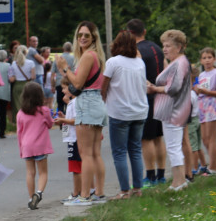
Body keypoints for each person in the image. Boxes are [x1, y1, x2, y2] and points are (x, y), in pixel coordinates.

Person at [58, 21, 108, 205]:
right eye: (80, 35)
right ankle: (99, 194)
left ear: (94, 37)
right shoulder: (98, 57)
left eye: (87, 35)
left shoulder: (88, 56)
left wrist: (65, 68)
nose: (83, 38)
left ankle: (85, 195)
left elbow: (77, 84)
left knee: (86, 153)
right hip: (96, 102)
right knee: (95, 153)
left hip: (87, 102)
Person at [101, 29, 148, 199]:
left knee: (119, 152)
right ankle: (138, 188)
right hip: (140, 111)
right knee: (135, 150)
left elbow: (104, 85)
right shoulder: (139, 63)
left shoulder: (113, 62)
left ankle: (124, 191)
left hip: (120, 112)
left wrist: (104, 100)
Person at [148, 29, 192, 191]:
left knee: (173, 147)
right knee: (174, 146)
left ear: (179, 47)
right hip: (172, 109)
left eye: (168, 46)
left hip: (174, 110)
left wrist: (154, 89)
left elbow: (173, 88)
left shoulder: (180, 63)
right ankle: (179, 180)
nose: (164, 49)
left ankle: (179, 182)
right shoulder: (177, 62)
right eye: (163, 46)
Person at [127, 19, 165, 186]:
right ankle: (161, 174)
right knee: (158, 137)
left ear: (130, 33)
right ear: (145, 31)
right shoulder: (157, 47)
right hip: (161, 95)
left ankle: (150, 175)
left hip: (146, 96)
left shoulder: (136, 50)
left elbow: (136, 75)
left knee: (146, 139)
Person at [16, 81, 60, 209]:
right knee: (43, 173)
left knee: (30, 173)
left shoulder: (20, 113)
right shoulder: (44, 111)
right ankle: (39, 193)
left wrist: (21, 149)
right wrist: (54, 115)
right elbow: (50, 124)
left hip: (26, 146)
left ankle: (31, 198)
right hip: (40, 146)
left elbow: (19, 133)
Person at [194, 47, 216, 172]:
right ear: (201, 61)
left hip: (212, 105)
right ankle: (213, 162)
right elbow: (198, 89)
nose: (207, 61)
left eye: (209, 58)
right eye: (204, 58)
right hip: (202, 106)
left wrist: (207, 92)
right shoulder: (201, 75)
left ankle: (214, 167)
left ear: (214, 59)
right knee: (205, 138)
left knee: (212, 138)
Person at [58, 85, 82, 203]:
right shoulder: (72, 103)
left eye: (64, 88)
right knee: (76, 167)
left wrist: (63, 120)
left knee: (76, 168)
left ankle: (77, 193)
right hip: (73, 138)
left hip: (74, 139)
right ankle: (80, 191)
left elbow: (76, 120)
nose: (62, 90)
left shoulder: (75, 102)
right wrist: (64, 117)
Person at [8, 45, 36, 123]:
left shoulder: (13, 63)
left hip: (17, 86)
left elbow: (12, 78)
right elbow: (33, 76)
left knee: (17, 105)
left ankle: (19, 122)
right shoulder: (31, 63)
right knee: (28, 104)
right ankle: (29, 121)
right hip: (27, 85)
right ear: (26, 52)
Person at [0, 49, 11, 138]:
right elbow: (10, 78)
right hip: (4, 92)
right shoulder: (8, 66)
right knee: (3, 113)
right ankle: (2, 132)